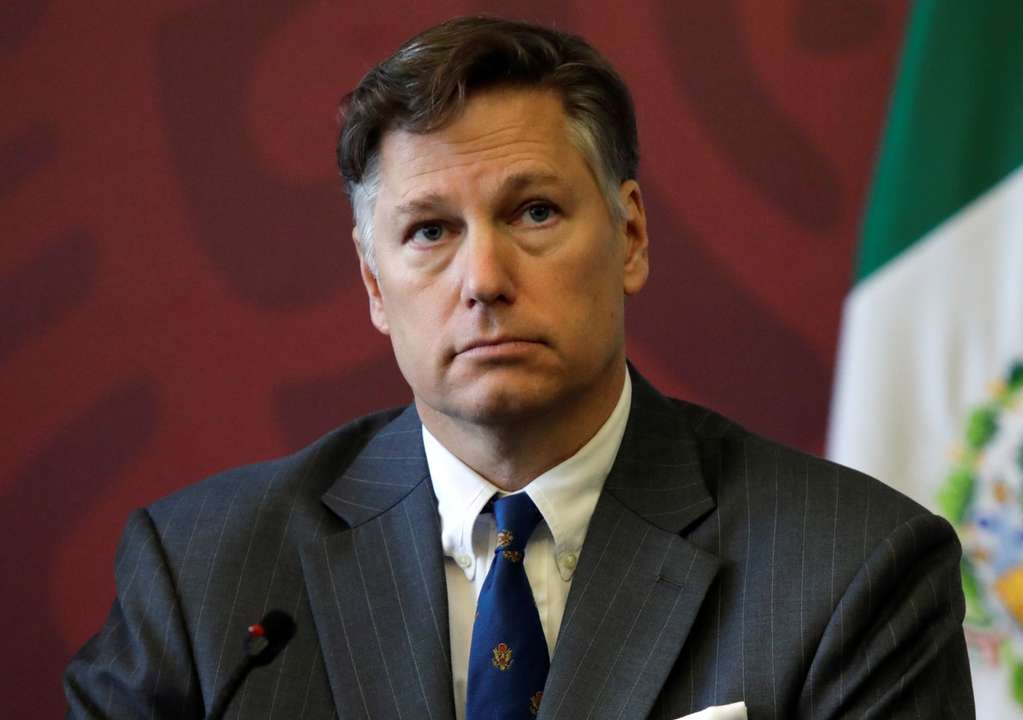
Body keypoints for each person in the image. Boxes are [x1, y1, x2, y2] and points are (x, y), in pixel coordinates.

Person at [64, 16, 974, 719]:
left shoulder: (849, 569)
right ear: (374, 284)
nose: (485, 280)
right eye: (430, 232)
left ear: (630, 236)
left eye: (534, 212)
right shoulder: (204, 576)